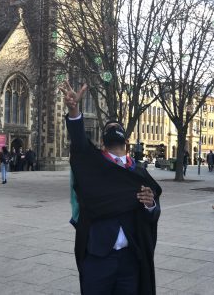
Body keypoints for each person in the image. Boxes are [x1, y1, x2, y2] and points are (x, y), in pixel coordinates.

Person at [60, 81, 162, 295]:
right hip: (98, 257)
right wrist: (73, 110)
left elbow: (153, 213)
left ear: (126, 140)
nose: (113, 128)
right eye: (108, 128)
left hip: (130, 259)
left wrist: (150, 204)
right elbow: (79, 144)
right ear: (102, 141)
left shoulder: (139, 174)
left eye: (117, 128)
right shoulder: (94, 165)